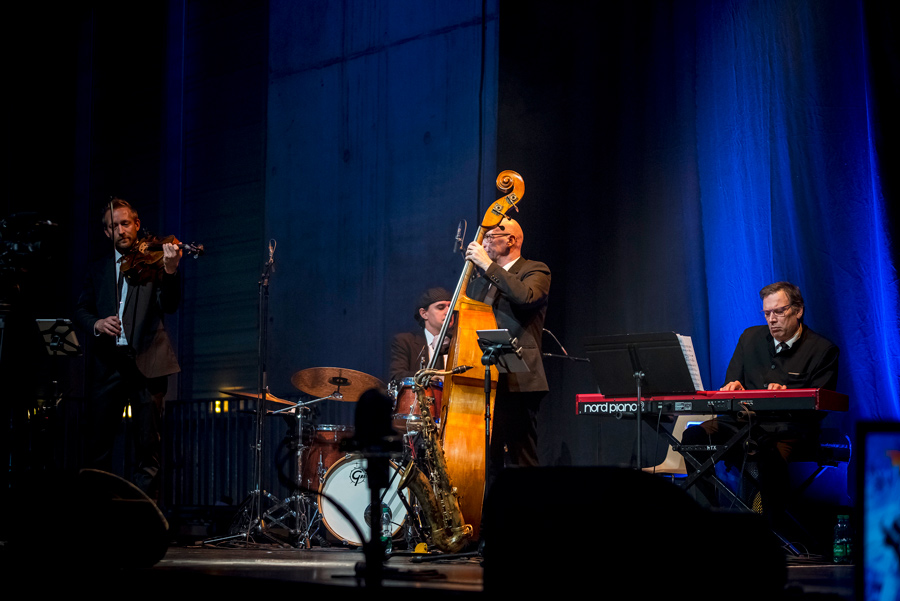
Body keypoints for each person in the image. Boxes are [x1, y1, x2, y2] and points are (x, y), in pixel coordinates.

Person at [681, 281, 839, 525]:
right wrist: (732, 388)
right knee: (692, 438)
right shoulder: (750, 337)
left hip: (787, 432)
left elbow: (819, 408)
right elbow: (732, 384)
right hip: (741, 425)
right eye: (767, 313)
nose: (772, 319)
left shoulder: (822, 350)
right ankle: (711, 517)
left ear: (798, 311)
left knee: (766, 454)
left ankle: (769, 530)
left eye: (779, 311)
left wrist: (787, 395)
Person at [74, 198, 182, 501]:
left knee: (148, 448)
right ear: (107, 233)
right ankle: (100, 516)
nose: (121, 230)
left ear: (136, 224)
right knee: (98, 445)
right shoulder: (97, 268)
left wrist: (171, 270)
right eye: (114, 226)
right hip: (108, 363)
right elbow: (80, 309)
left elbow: (169, 305)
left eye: (125, 223)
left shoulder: (156, 257)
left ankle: (141, 522)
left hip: (149, 362)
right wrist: (97, 323)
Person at [464, 217, 551, 473]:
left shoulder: (536, 270)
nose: (484, 243)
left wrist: (488, 265)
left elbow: (525, 297)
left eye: (489, 238)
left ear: (510, 240)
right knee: (486, 460)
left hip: (518, 378)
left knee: (521, 458)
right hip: (483, 376)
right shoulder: (481, 280)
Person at [388, 287, 454, 382]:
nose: (448, 312)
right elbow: (397, 377)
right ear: (424, 313)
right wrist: (434, 376)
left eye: (451, 307)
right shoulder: (405, 341)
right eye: (440, 307)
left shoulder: (460, 341)